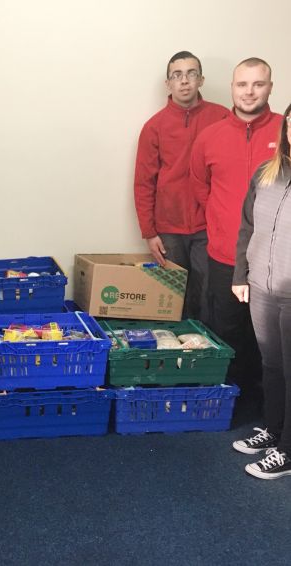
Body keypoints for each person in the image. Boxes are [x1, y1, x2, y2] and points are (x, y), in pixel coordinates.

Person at [190, 58, 282, 398]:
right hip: (224, 257)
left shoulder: (284, 132)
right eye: (242, 84)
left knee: (269, 338)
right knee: (226, 331)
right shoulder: (209, 137)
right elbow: (202, 188)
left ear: (270, 87)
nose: (249, 91)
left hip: (272, 262)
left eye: (258, 84)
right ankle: (230, 400)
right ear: (232, 87)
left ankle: (268, 409)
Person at [134, 51, 228, 322]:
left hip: (208, 225)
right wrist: (149, 232)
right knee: (174, 298)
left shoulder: (222, 118)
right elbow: (143, 183)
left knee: (210, 293)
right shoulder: (154, 127)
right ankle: (181, 355)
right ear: (168, 83)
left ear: (201, 80)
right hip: (168, 229)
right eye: (177, 75)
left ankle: (211, 354)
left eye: (191, 74)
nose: (184, 81)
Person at [231, 105, 291, 479]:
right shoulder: (265, 174)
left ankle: (288, 451)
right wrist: (241, 274)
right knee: (271, 365)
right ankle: (273, 430)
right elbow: (246, 227)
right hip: (261, 286)